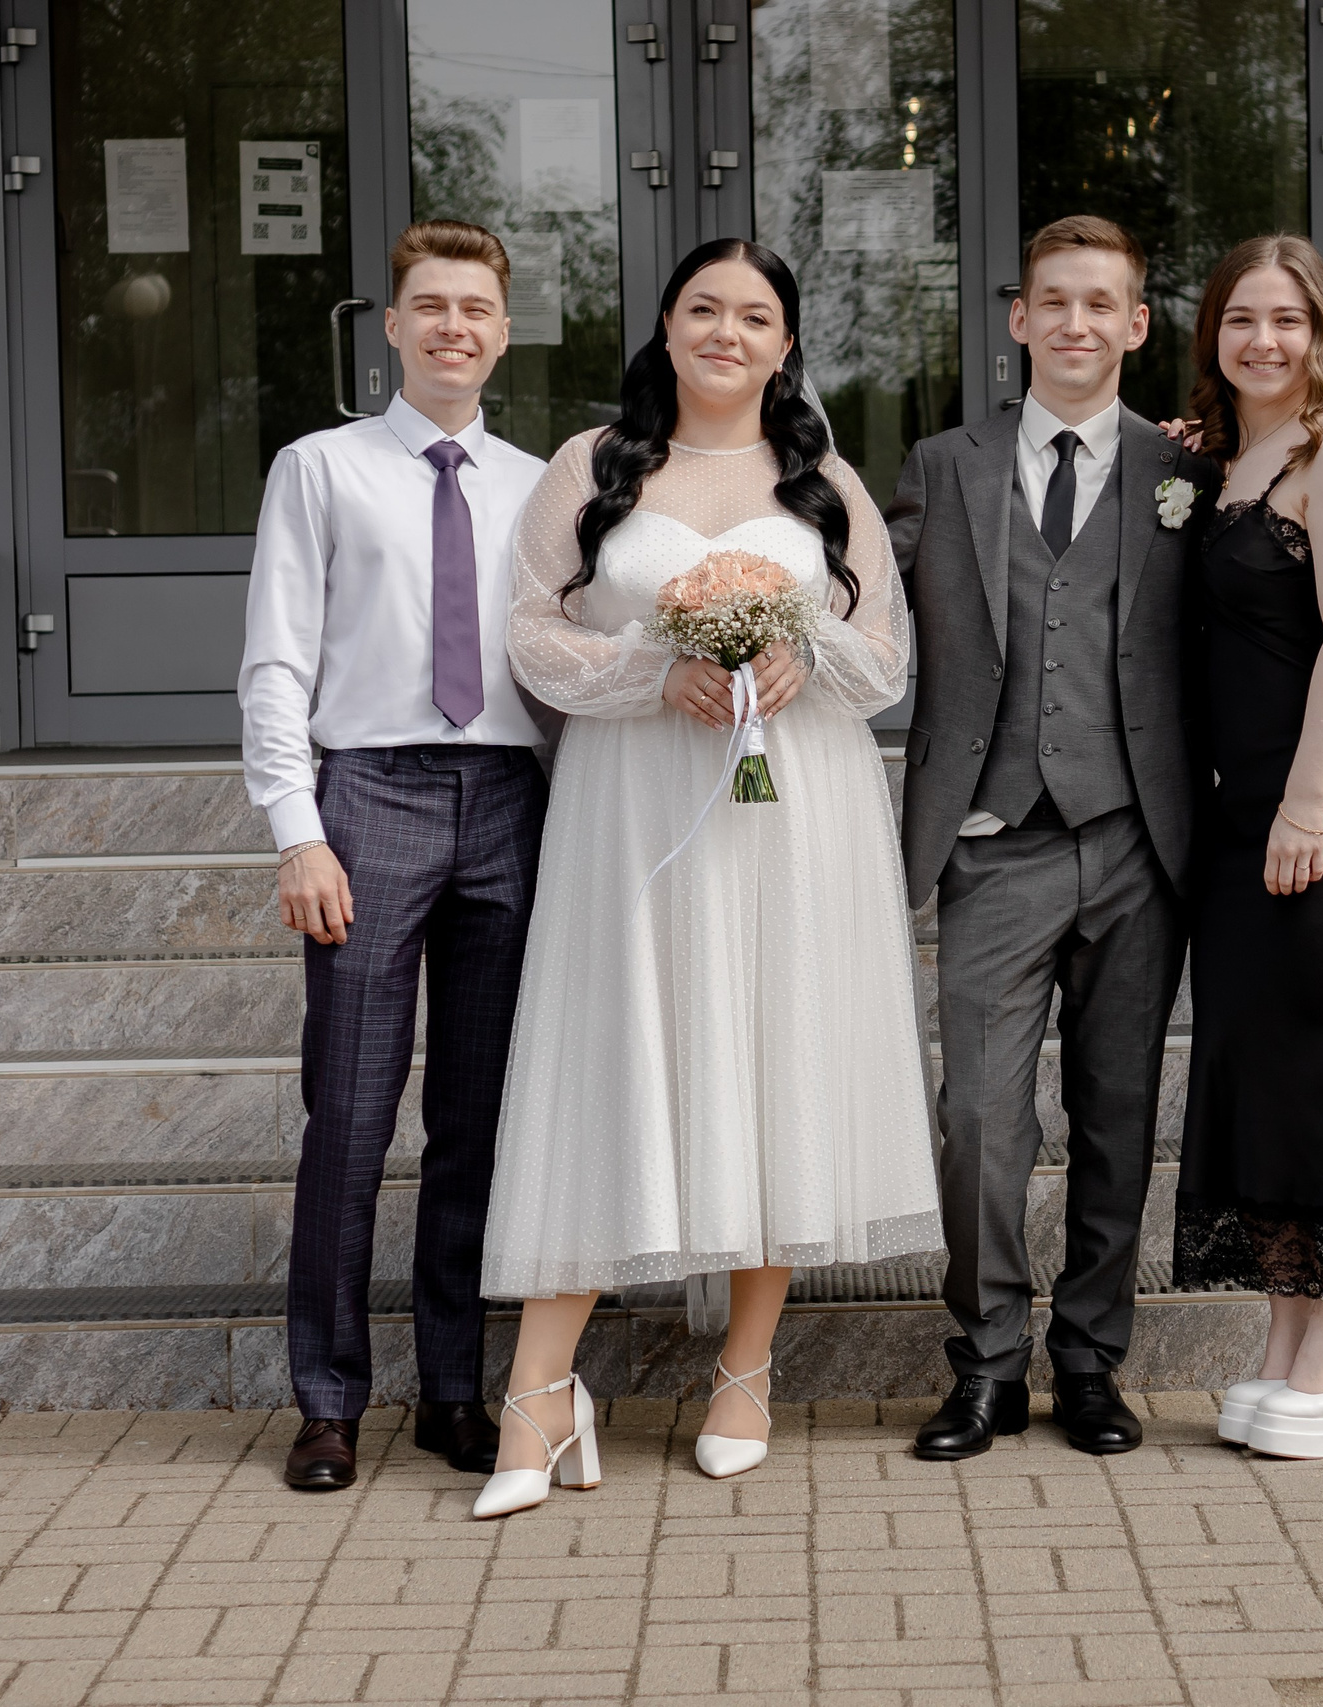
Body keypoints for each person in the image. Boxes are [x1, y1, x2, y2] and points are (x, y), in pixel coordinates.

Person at [883, 215, 1323, 1462]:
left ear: (1135, 327)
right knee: (979, 1120)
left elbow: (1286, 609)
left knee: (1120, 1111)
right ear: (1017, 320)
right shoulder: (946, 461)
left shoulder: (1180, 469)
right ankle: (983, 1364)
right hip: (991, 839)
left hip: (1145, 841)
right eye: (1051, 302)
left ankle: (1090, 1364)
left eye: (1103, 305)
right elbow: (864, 596)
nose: (1076, 324)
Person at [471, 239, 940, 1518]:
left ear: (787, 344)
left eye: (755, 316)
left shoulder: (822, 478)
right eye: (702, 309)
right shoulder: (593, 465)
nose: (727, 332)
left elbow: (883, 657)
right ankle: (539, 1393)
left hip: (793, 807)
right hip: (633, 805)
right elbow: (528, 632)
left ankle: (745, 1370)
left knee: (777, 1045)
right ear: (667, 327)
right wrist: (648, 671)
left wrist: (800, 654)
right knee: (609, 1053)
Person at [239, 220, 549, 1491]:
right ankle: (327, 1401)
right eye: (430, 305)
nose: (452, 327)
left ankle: (455, 1394)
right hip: (368, 795)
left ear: (503, 330)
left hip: (510, 803)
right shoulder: (319, 469)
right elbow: (275, 657)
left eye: (475, 308)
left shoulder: (543, 484)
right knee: (352, 1118)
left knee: (478, 1123)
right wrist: (295, 828)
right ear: (391, 324)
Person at [1171, 234, 1323, 1461]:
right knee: (1264, 1073)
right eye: (1239, 321)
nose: (1262, 342)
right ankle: (1285, 1333)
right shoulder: (1212, 460)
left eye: (1285, 321)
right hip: (1235, 810)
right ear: (1212, 334)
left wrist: (1305, 803)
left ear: (1321, 332)